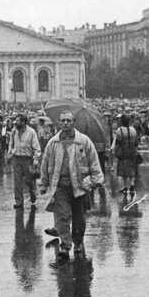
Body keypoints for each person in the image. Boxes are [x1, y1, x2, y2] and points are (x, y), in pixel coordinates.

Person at [39, 110, 104, 262]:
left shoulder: (83, 141)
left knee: (79, 217)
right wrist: (43, 183)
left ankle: (78, 242)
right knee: (62, 217)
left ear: (74, 123)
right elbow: (46, 163)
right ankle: (65, 245)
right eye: (63, 121)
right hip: (61, 186)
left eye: (69, 120)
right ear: (59, 123)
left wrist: (95, 180)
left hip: (80, 187)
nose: (66, 123)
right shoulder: (53, 143)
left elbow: (94, 161)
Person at [9, 113, 42, 209]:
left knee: (29, 181)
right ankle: (19, 202)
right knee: (17, 182)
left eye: (18, 121)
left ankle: (33, 194)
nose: (15, 122)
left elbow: (36, 147)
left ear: (23, 122)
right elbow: (11, 144)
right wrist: (9, 154)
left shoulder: (31, 132)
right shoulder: (14, 131)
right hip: (17, 159)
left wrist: (36, 159)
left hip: (28, 159)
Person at [112, 114, 140, 197]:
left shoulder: (119, 130)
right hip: (132, 151)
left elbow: (118, 141)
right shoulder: (133, 130)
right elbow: (136, 142)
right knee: (131, 168)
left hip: (123, 152)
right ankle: (131, 184)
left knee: (123, 169)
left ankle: (124, 186)